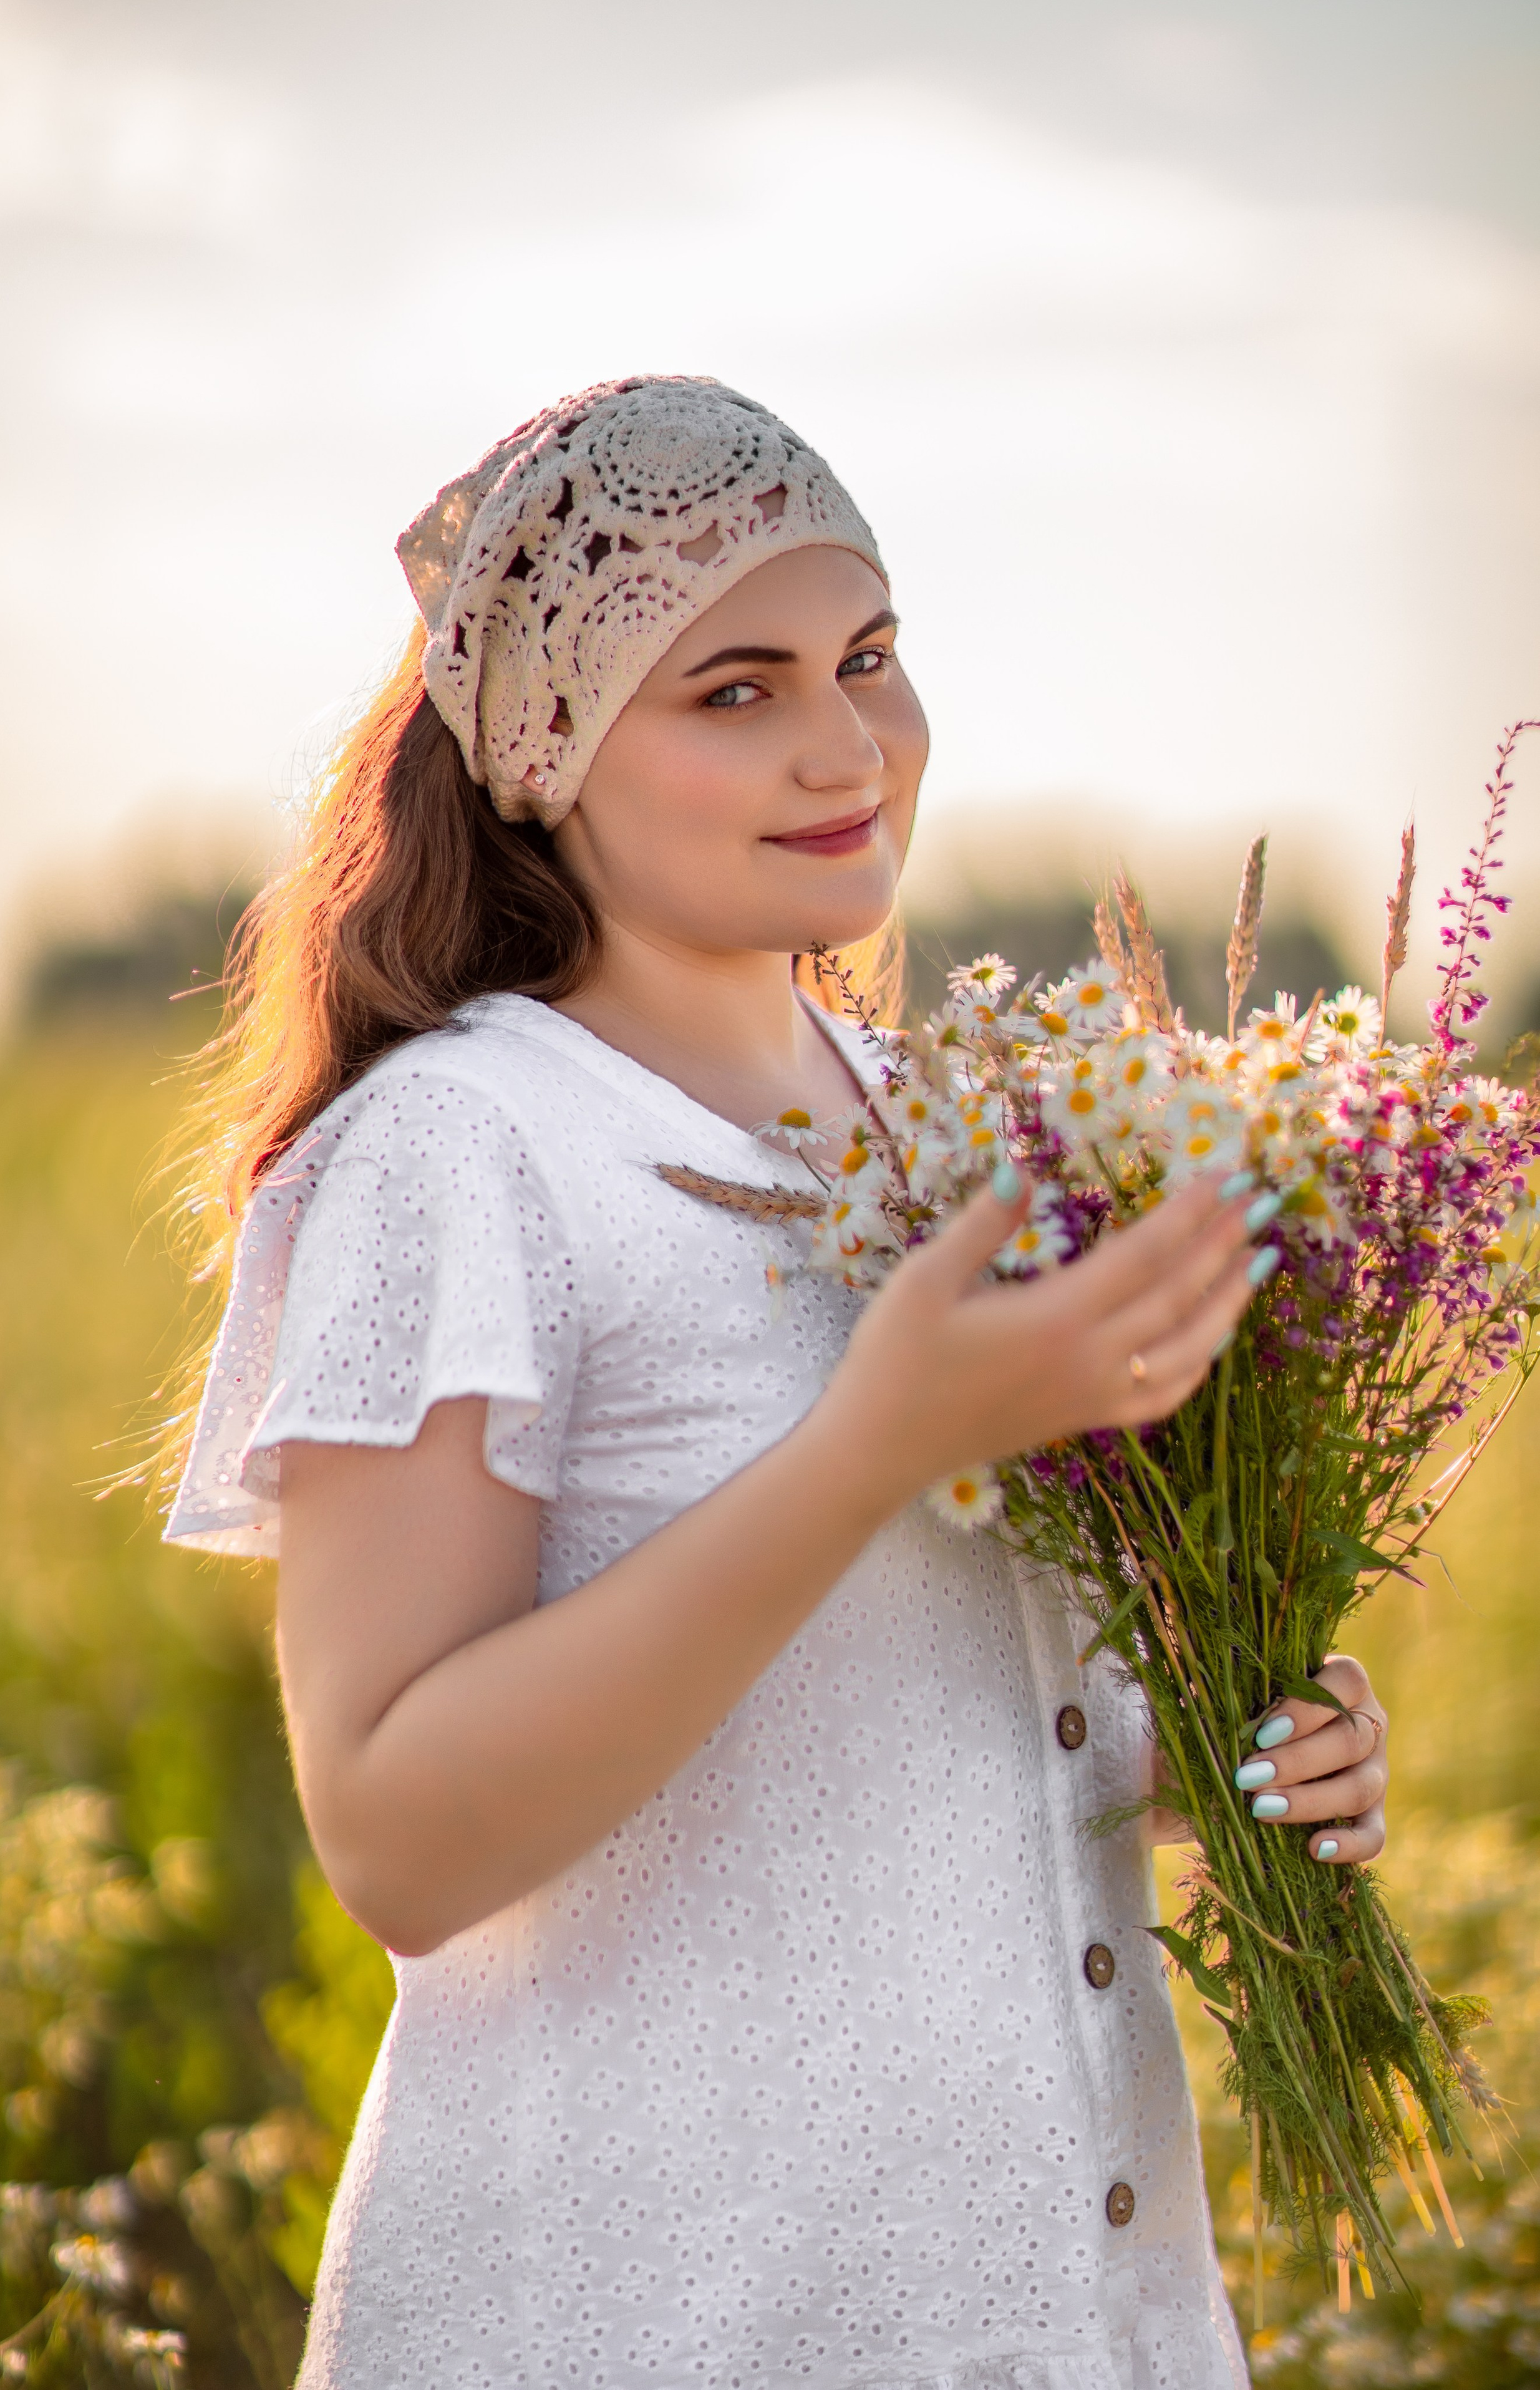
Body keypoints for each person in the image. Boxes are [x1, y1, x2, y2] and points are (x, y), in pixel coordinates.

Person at [165, 377, 1389, 2389]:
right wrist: (875, 1446)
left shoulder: (966, 1128)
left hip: (1054, 2315)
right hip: (659, 2310)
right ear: (548, 751)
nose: (846, 746)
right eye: (733, 688)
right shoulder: (465, 1155)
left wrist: (1241, 1745)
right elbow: (395, 1837)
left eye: (871, 659)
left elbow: (939, 1721)